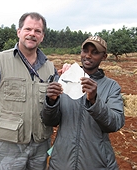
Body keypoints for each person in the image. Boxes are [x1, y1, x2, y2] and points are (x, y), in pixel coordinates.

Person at [0, 12, 58, 170]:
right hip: (10, 146)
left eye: (37, 31)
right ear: (19, 32)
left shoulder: (50, 68)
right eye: (28, 29)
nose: (32, 34)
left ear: (42, 36)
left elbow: (58, 102)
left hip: (41, 145)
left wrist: (68, 74)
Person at [41, 36, 125, 170]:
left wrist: (94, 100)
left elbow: (115, 123)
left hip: (97, 163)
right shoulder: (64, 81)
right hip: (62, 162)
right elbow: (50, 121)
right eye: (85, 51)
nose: (88, 56)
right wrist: (51, 101)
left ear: (104, 56)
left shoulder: (111, 87)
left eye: (95, 52)